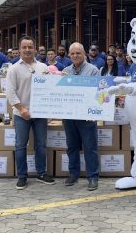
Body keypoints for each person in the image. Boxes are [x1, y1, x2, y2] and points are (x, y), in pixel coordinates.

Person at [6, 36, 54, 189]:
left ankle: (41, 173)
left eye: (30, 47)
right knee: (20, 146)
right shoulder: (13, 69)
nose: (27, 50)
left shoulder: (43, 67)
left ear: (35, 49)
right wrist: (21, 109)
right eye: (24, 47)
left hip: (39, 114)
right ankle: (22, 176)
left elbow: (50, 88)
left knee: (40, 144)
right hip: (22, 114)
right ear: (19, 50)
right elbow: (10, 93)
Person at [62, 42, 100, 191]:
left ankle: (92, 177)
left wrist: (95, 111)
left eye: (78, 53)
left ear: (84, 54)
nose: (75, 56)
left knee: (90, 147)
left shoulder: (93, 71)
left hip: (87, 117)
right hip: (69, 116)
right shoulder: (65, 71)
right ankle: (73, 174)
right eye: (72, 53)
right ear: (69, 55)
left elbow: (100, 93)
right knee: (72, 147)